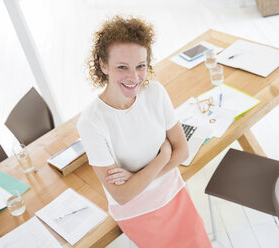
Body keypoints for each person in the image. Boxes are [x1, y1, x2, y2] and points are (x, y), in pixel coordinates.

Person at [77, 16, 211, 248]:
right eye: (122, 67)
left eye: (141, 66)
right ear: (103, 65)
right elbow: (122, 195)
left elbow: (182, 151)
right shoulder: (91, 122)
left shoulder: (155, 92)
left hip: (174, 192)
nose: (134, 77)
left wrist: (138, 178)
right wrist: (163, 156)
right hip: (139, 212)